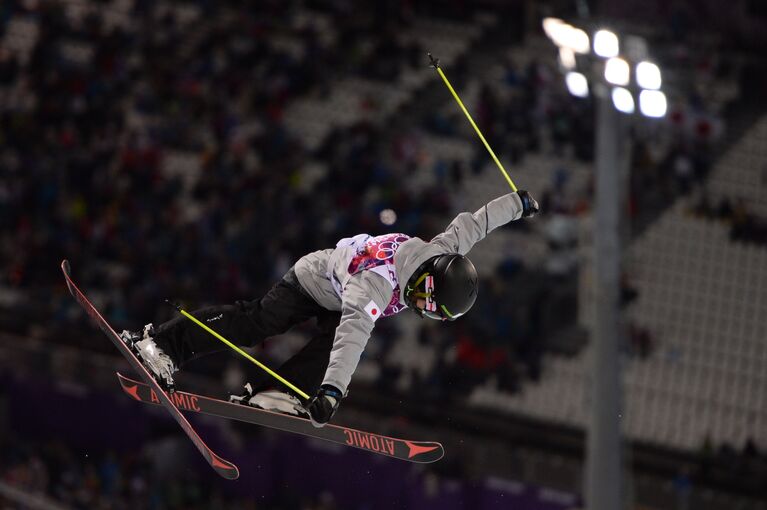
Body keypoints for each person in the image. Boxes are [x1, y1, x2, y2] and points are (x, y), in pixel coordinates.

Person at [121, 190, 539, 427]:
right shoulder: (377, 285)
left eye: (434, 313)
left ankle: (278, 392)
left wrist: (517, 204)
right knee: (258, 323)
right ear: (426, 282)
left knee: (321, 347)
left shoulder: (439, 252)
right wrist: (333, 392)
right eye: (428, 304)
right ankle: (159, 344)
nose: (422, 311)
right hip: (312, 281)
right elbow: (352, 338)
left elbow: (475, 223)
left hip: (339, 294)